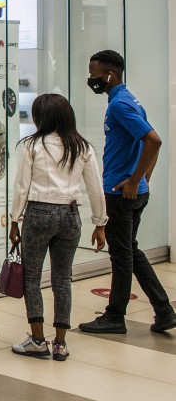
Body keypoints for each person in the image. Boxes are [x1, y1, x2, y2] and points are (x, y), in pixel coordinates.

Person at [78, 50, 176, 334]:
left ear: (110, 75)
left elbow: (153, 141)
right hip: (130, 190)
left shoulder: (120, 104)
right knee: (130, 252)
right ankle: (164, 310)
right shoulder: (128, 99)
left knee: (121, 257)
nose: (91, 79)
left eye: (95, 74)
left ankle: (115, 317)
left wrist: (135, 180)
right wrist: (143, 177)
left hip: (122, 193)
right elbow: (152, 139)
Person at [9, 94, 107, 361]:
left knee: (32, 277)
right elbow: (96, 188)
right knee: (62, 279)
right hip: (71, 215)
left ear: (43, 117)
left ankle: (38, 340)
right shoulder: (82, 147)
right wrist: (100, 224)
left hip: (39, 213)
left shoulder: (32, 145)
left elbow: (21, 187)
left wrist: (15, 220)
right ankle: (61, 344)